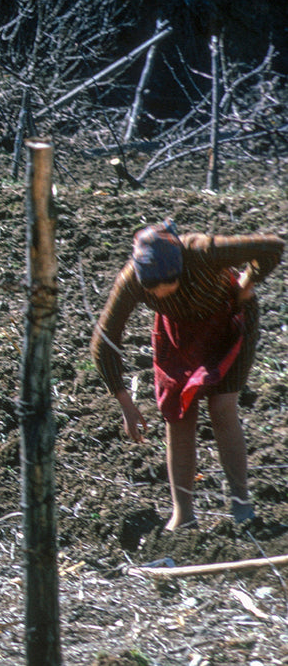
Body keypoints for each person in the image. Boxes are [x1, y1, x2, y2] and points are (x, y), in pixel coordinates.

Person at [90, 219, 282, 530]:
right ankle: (183, 513)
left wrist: (246, 283)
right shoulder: (132, 280)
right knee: (177, 416)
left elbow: (271, 246)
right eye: (155, 291)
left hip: (229, 319)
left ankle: (242, 504)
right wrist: (126, 405)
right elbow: (104, 342)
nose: (162, 294)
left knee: (222, 408)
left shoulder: (201, 251)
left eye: (170, 285)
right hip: (179, 334)